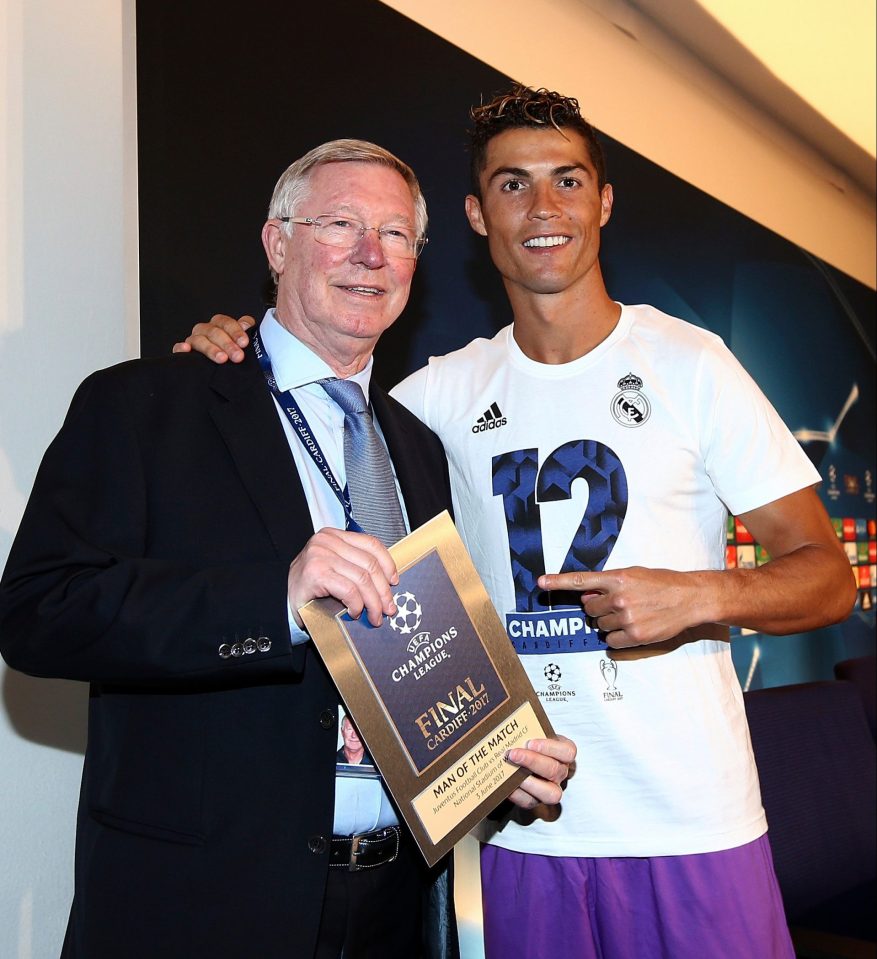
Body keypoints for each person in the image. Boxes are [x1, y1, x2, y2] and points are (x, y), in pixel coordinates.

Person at [182, 87, 857, 958]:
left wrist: (696, 596)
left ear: (603, 202)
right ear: (473, 213)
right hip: (520, 823)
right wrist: (229, 349)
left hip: (688, 821)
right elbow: (307, 420)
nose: (543, 209)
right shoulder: (433, 398)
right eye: (511, 185)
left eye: (567, 181)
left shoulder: (691, 364)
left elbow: (826, 575)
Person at [0, 137, 575, 959]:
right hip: (203, 906)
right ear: (278, 244)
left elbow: (413, 661)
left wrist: (491, 770)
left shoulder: (417, 447)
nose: (370, 255)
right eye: (340, 224)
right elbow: (36, 613)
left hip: (393, 905)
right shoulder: (146, 406)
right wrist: (276, 597)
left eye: (396, 235)